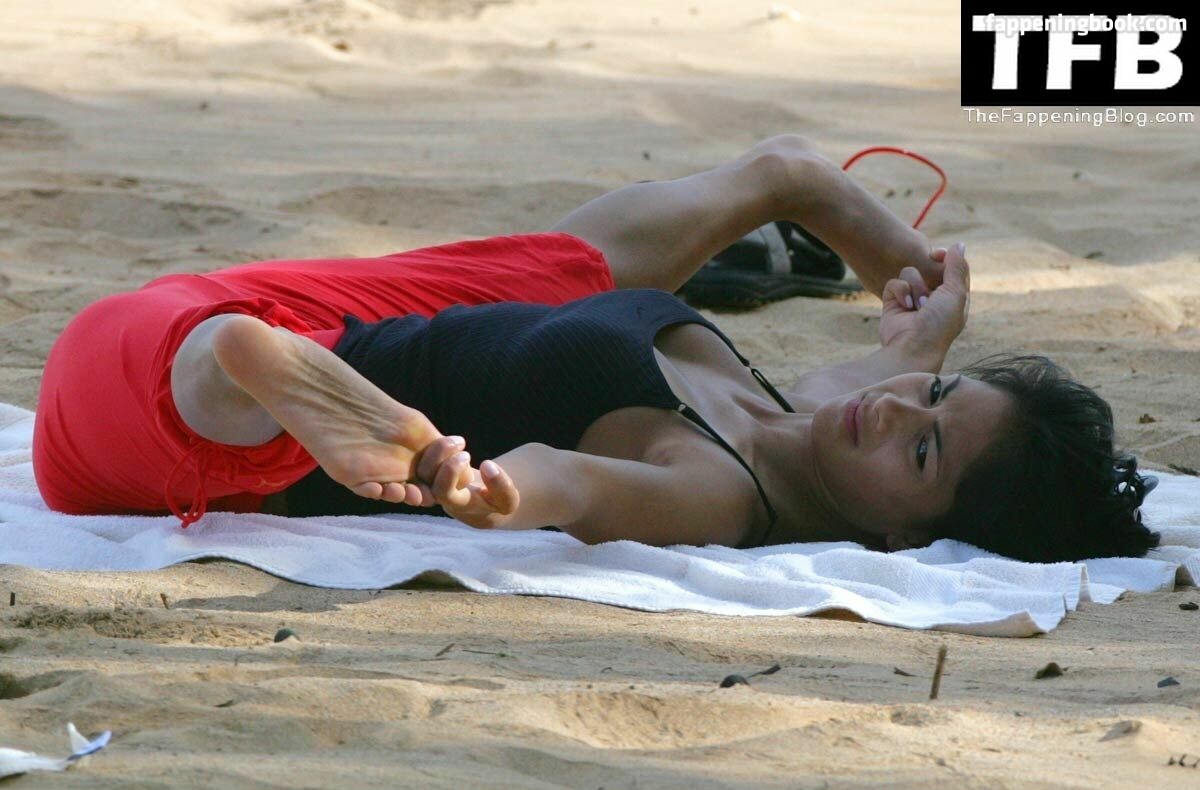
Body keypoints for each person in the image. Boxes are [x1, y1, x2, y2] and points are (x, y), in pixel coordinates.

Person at [33, 136, 1159, 562]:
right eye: (937, 394)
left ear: (904, 536)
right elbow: (882, 378)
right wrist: (927, 330)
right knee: (576, 276)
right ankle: (791, 179)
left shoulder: (719, 492)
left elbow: (577, 486)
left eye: (924, 452)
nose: (901, 411)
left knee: (193, 363)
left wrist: (487, 491)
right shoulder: (815, 415)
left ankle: (259, 373)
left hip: (177, 420)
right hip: (355, 313)